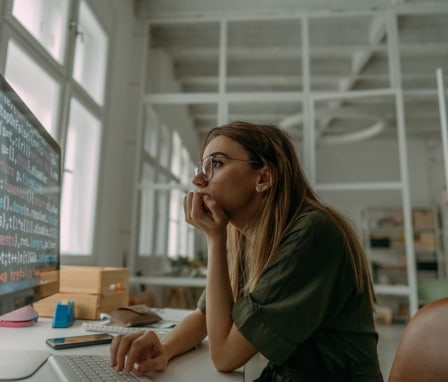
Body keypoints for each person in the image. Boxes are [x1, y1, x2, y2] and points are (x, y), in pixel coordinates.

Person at [110, 121, 384, 381]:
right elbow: (205, 315)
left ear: (263, 177)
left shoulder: (312, 232)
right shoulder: (245, 237)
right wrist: (165, 347)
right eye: (201, 168)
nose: (198, 181)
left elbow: (225, 356)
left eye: (215, 164)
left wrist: (214, 239)